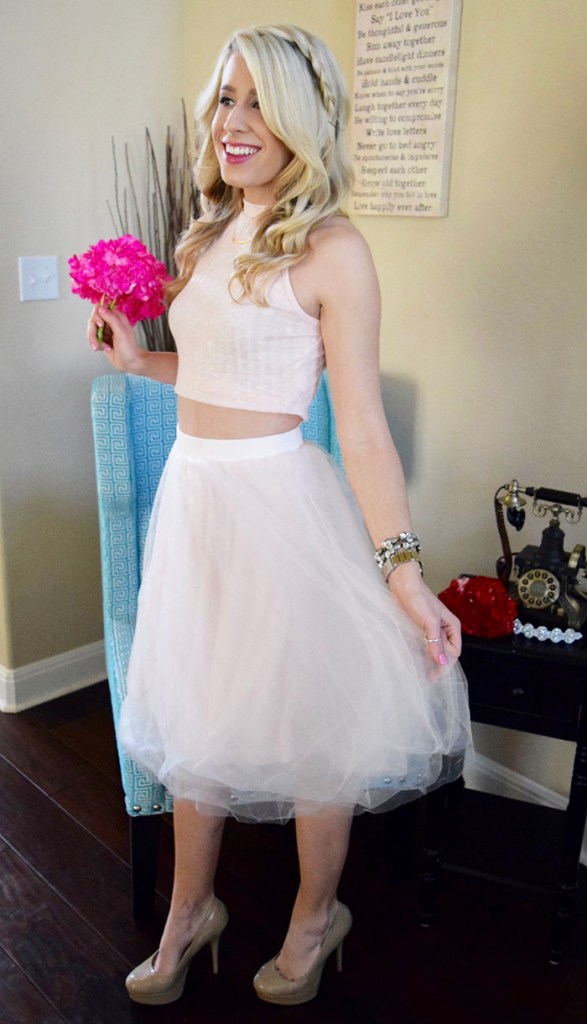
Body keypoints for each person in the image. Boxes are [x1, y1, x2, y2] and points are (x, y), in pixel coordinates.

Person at [88, 23, 471, 1008]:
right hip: (195, 502)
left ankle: (313, 918)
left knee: (312, 734)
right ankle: (189, 912)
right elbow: (215, 372)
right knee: (197, 715)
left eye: (259, 102)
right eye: (226, 98)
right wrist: (139, 359)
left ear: (303, 120)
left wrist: (403, 575)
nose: (235, 121)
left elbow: (362, 429)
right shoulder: (204, 235)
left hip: (278, 508)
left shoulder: (333, 250)